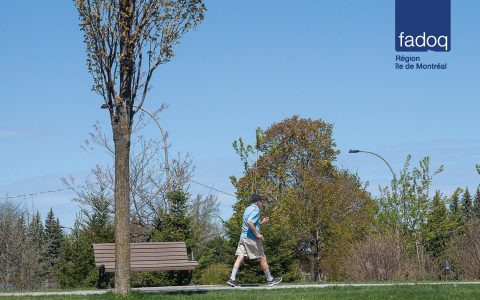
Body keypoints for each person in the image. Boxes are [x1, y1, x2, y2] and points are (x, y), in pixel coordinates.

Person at [227, 194, 282, 287]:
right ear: (259, 202)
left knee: (240, 257)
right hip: (251, 238)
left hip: (243, 237)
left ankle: (232, 279)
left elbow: (250, 223)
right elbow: (249, 222)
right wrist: (258, 234)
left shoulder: (247, 209)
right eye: (262, 202)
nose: (263, 204)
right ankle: (270, 280)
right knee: (262, 257)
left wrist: (261, 223)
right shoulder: (256, 210)